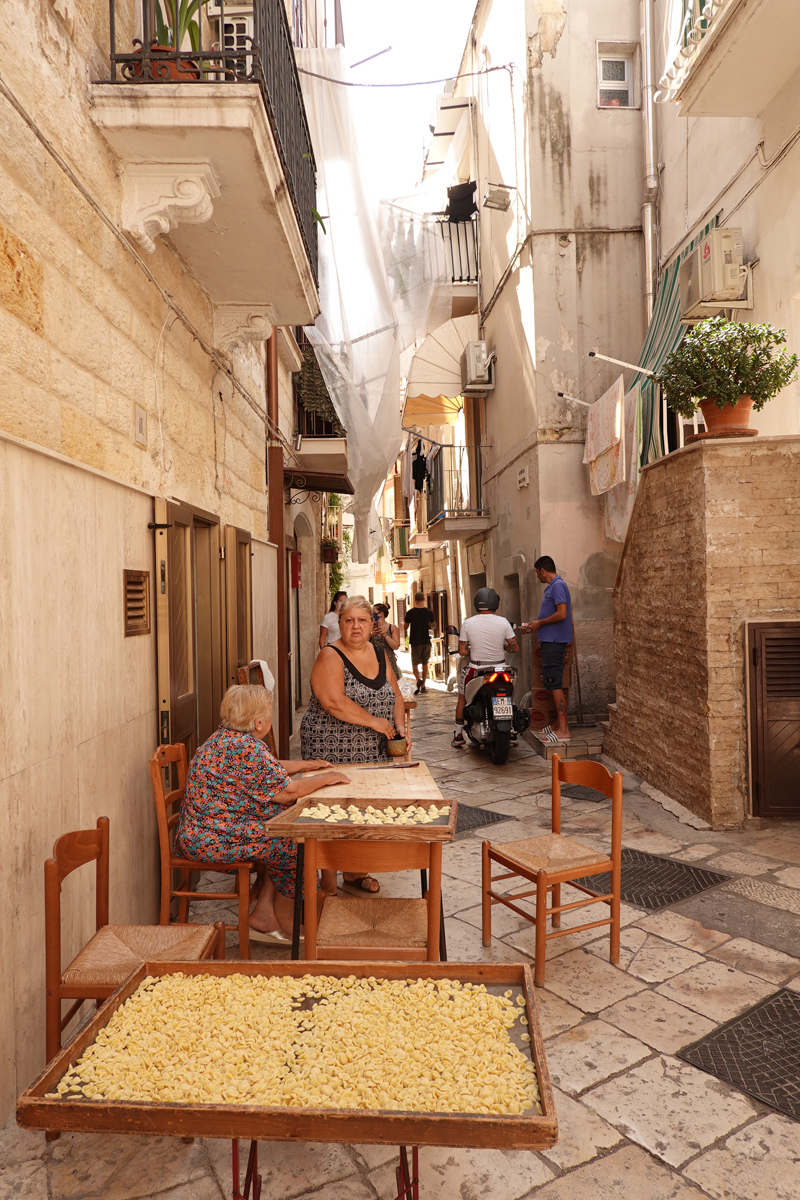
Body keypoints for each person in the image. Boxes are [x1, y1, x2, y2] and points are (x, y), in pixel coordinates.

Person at [176, 684, 349, 945]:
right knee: (294, 844)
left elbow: (270, 768)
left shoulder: (225, 738)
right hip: (212, 839)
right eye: (269, 712)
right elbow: (288, 792)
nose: (271, 716)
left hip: (203, 831)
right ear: (259, 722)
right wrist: (327, 778)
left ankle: (264, 914)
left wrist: (306, 765)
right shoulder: (248, 749)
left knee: (282, 825)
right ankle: (289, 919)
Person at [300, 594, 409, 893]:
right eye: (349, 620)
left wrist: (399, 727)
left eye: (362, 620)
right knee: (332, 811)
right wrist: (376, 722)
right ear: (339, 624)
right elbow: (334, 702)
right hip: (331, 746)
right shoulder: (329, 655)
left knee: (363, 809)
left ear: (372, 625)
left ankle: (354, 870)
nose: (356, 626)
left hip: (370, 749)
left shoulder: (378, 652)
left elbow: (395, 694)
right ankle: (328, 883)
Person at [452, 587, 519, 747]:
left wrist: (472, 648)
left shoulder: (468, 623)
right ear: (495, 604)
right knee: (508, 695)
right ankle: (511, 729)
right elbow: (514, 647)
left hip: (476, 669)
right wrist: (502, 647)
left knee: (462, 697)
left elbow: (462, 651)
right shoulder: (503, 622)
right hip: (502, 669)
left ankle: (458, 733)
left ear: (477, 603)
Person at [520, 556, 573, 743]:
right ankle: (558, 725)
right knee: (552, 684)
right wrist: (535, 626)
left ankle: (564, 730)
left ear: (543, 570)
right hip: (549, 640)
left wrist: (540, 623)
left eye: (536, 572)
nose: (537, 576)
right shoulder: (552, 587)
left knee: (555, 684)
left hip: (554, 642)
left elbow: (562, 613)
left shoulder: (558, 585)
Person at [404, 592, 435, 695]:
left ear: (415, 600)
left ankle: (418, 680)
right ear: (424, 599)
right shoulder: (429, 613)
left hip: (415, 642)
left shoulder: (410, 613)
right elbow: (434, 626)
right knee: (425, 664)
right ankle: (423, 685)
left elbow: (405, 627)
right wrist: (429, 624)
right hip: (426, 641)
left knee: (415, 664)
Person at [371, 602, 402, 680]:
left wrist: (385, 635)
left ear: (381, 613)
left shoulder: (392, 627)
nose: (372, 615)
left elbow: (395, 646)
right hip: (374, 661)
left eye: (374, 613)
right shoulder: (370, 627)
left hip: (389, 660)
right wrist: (370, 634)